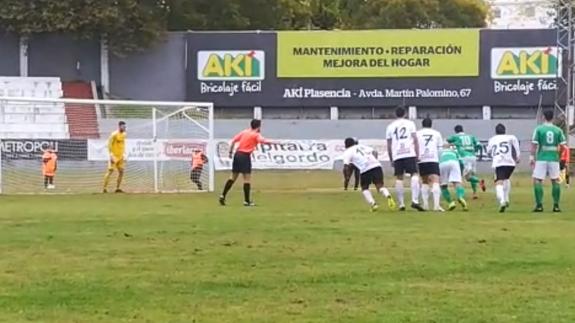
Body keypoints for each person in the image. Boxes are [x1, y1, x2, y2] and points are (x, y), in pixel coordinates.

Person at [219, 119, 272, 206]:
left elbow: (233, 141)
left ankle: (222, 195)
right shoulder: (256, 135)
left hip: (237, 155)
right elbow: (263, 141)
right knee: (246, 179)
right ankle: (246, 201)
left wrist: (230, 152)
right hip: (245, 156)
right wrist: (276, 142)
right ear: (258, 126)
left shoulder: (244, 132)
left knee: (232, 177)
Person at [385, 107, 424, 211]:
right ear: (405, 114)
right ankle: (415, 201)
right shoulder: (410, 124)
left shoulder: (390, 127)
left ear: (395, 114)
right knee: (414, 174)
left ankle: (401, 204)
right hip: (409, 152)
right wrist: (417, 154)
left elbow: (389, 145)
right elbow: (415, 140)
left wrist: (391, 159)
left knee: (399, 178)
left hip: (397, 154)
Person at [342, 138, 396, 212]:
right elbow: (374, 152)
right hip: (376, 166)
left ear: (345, 145)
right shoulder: (361, 146)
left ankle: (373, 204)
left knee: (365, 188)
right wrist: (375, 160)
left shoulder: (347, 152)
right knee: (380, 186)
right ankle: (388, 195)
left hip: (365, 169)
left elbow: (346, 166)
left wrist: (346, 176)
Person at [531, 110, 567, 213]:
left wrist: (531, 157)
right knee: (555, 180)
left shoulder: (539, 129)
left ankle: (539, 205)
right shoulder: (558, 130)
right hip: (554, 158)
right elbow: (563, 146)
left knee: (537, 180)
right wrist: (559, 156)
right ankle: (556, 205)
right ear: (552, 118)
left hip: (542, 157)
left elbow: (534, 144)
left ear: (543, 117)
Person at [487, 124, 520, 213]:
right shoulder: (510, 137)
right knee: (506, 179)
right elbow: (515, 143)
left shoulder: (492, 139)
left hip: (499, 162)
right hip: (510, 163)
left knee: (499, 182)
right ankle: (506, 198)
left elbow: (488, 152)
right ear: (505, 131)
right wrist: (518, 156)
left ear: (496, 131)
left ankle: (502, 201)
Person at [447, 125, 485, 199]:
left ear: (455, 131)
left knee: (467, 177)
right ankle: (475, 193)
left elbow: (448, 140)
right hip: (473, 157)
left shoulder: (456, 137)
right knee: (472, 175)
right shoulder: (471, 136)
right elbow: (479, 145)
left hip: (464, 157)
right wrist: (477, 152)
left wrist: (453, 144)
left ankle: (479, 181)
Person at [416, 117, 444, 212]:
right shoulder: (437, 133)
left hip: (422, 159)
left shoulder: (417, 133)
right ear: (431, 124)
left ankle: (426, 205)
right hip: (433, 159)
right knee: (435, 181)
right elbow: (440, 149)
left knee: (424, 181)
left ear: (422, 124)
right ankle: (436, 206)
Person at [439, 145, 468, 211]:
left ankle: (451, 202)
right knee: (457, 183)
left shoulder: (440, 151)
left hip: (442, 163)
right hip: (454, 162)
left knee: (443, 185)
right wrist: (461, 172)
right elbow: (461, 162)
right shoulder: (454, 151)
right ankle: (460, 197)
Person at [103, 121, 127, 193]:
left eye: (125, 127)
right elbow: (109, 145)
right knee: (110, 171)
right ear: (119, 126)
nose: (125, 128)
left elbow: (122, 145)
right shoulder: (114, 134)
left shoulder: (124, 134)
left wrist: (124, 154)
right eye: (123, 126)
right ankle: (104, 188)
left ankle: (117, 188)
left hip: (120, 157)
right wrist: (111, 155)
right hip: (114, 156)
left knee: (121, 172)